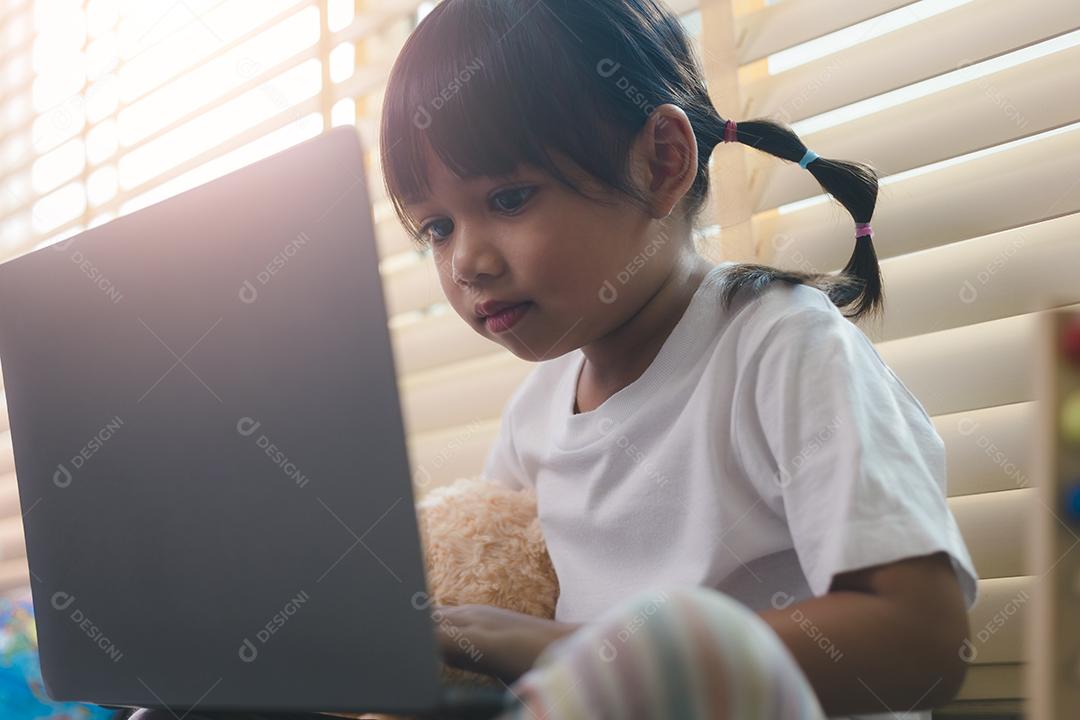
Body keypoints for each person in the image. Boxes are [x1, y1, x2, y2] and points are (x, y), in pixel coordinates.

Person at [130, 0, 979, 718]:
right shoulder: (537, 414)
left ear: (662, 163)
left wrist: (575, 653)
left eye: (507, 198)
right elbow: (498, 605)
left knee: (683, 642)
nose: (466, 261)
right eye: (436, 227)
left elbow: (926, 640)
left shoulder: (779, 346)